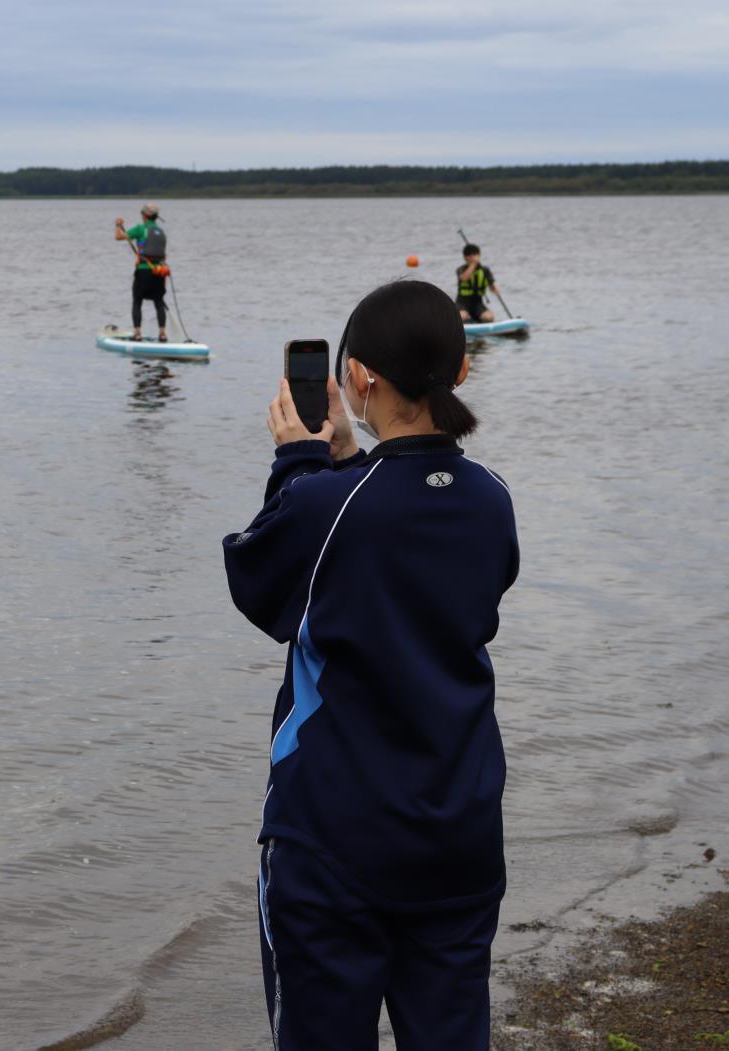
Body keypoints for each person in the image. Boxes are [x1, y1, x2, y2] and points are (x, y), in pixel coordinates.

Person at [222, 280, 519, 1051]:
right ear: (458, 373)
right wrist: (349, 465)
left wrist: (297, 460)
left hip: (334, 843)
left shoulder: (327, 505)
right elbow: (440, 586)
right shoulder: (490, 498)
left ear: (357, 379)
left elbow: (262, 581)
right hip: (457, 829)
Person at [113, 204, 168, 342]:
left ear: (145, 215)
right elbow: (163, 256)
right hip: (160, 272)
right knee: (159, 302)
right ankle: (162, 333)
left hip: (143, 271)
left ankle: (137, 333)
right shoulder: (162, 233)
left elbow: (118, 237)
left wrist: (118, 225)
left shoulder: (140, 228)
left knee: (137, 301)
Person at [456, 242, 500, 323]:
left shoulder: (485, 270)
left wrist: (495, 289)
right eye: (469, 255)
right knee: (462, 316)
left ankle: (476, 320)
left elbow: (492, 286)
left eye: (475, 255)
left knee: (489, 317)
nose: (472, 257)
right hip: (462, 303)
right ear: (466, 257)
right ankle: (468, 321)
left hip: (477, 303)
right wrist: (473, 264)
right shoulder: (461, 269)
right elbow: (464, 278)